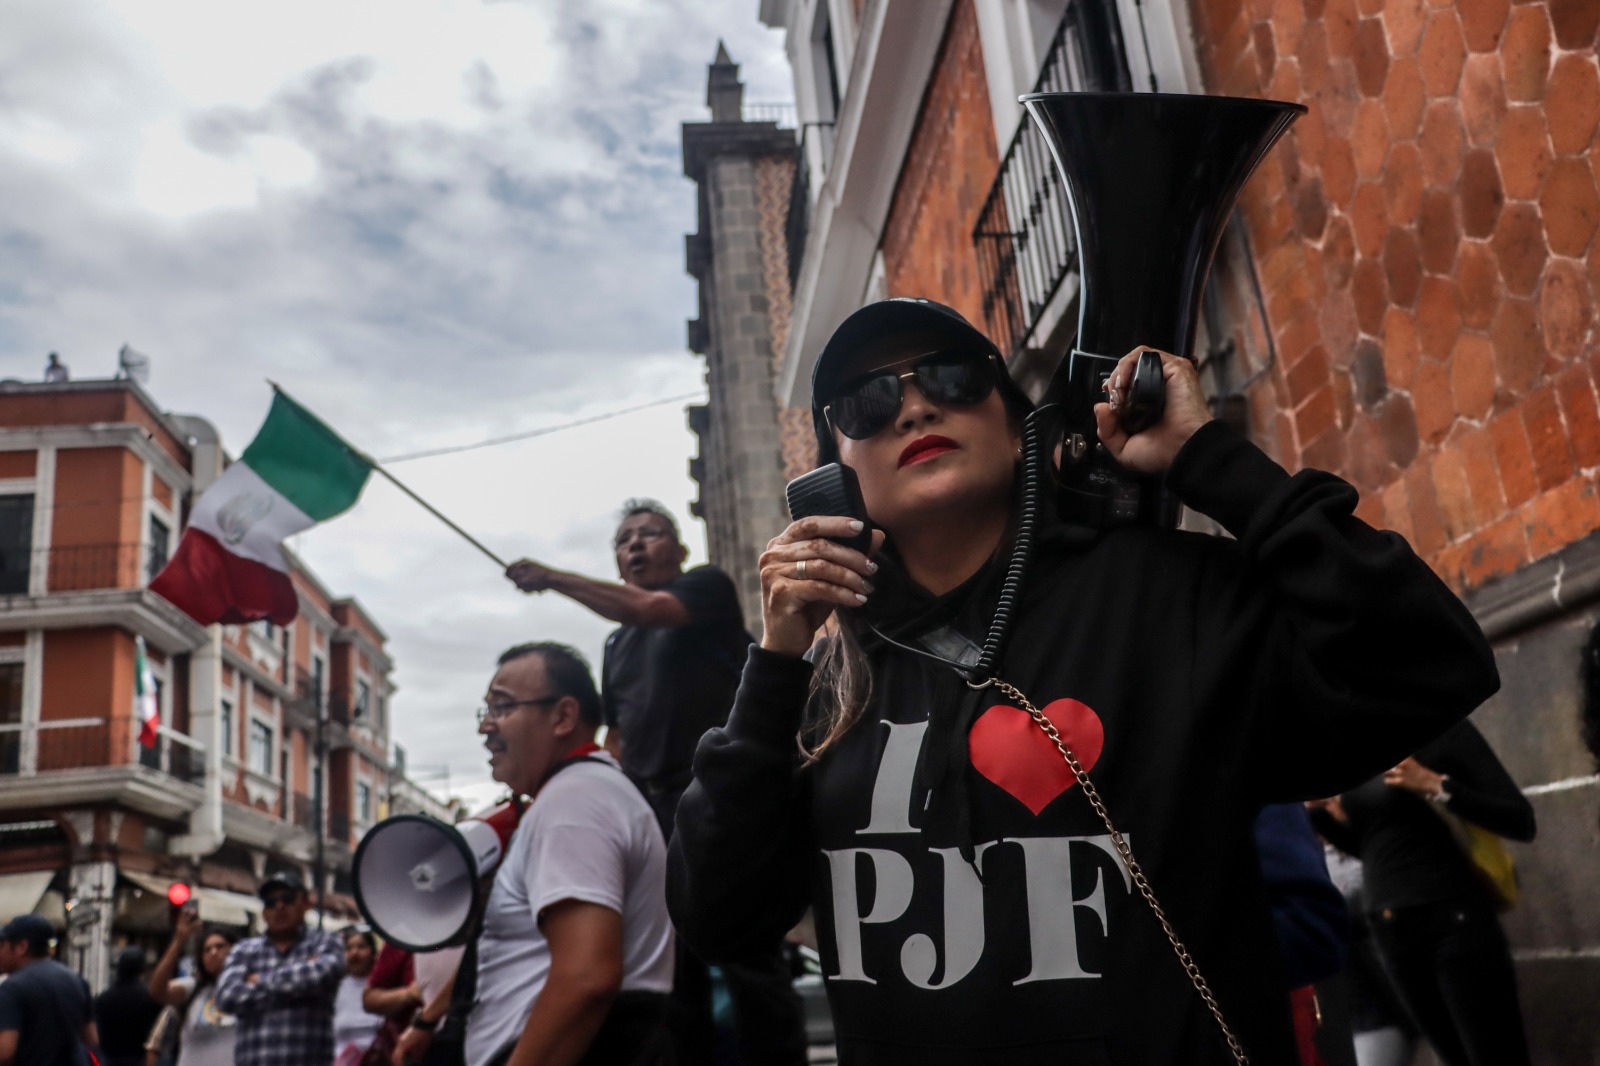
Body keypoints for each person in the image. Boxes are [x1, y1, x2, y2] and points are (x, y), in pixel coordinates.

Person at [666, 297, 1501, 1065]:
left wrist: (1211, 461)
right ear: (832, 476)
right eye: (867, 401)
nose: (916, 407)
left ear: (1016, 418)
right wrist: (774, 661)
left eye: (952, 377)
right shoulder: (818, 689)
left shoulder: (1172, 595)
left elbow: (1427, 663)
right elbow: (718, 917)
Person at [507, 502, 806, 1066]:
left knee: (748, 958)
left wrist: (551, 578)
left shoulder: (705, 591)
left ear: (680, 550)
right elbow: (615, 733)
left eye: (651, 534)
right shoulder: (617, 645)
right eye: (625, 540)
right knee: (673, 970)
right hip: (654, 811)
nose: (637, 546)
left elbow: (650, 610)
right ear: (618, 561)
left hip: (723, 804)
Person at [459, 641, 673, 1066]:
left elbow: (586, 977)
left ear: (563, 716)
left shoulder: (573, 800)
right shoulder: (583, 792)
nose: (487, 726)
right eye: (486, 710)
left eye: (501, 708)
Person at [1308, 720, 1535, 1066]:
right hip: (1390, 930)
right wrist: (1319, 815)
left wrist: (1436, 786)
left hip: (1452, 917)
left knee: (1495, 1057)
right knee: (1451, 1058)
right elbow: (1371, 849)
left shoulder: (1440, 725)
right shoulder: (1351, 740)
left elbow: (1520, 820)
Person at [214, 870, 346, 1066]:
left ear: (304, 903)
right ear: (264, 912)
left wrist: (259, 980)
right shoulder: (244, 950)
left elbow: (323, 973)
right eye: (270, 902)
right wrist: (299, 985)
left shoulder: (325, 942)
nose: (279, 906)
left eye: (288, 898)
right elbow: (227, 997)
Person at [0, 913, 96, 1065]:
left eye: (2, 945)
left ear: (21, 947)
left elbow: (5, 1052)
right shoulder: (77, 981)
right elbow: (91, 1039)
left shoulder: (12, 988)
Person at [149, 908, 238, 1066]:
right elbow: (157, 990)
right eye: (207, 949)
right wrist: (179, 940)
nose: (213, 952)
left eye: (220, 946)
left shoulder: (248, 990)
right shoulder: (192, 989)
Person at [95, 946, 164, 1066]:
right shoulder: (151, 999)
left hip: (109, 1060)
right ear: (142, 969)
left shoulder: (103, 999)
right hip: (140, 1060)